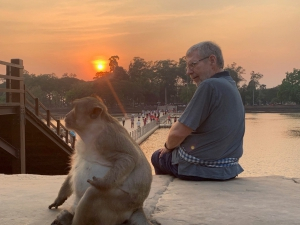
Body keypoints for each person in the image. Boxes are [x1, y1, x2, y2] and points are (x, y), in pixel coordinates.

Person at [151, 41, 245, 181]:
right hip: (228, 167)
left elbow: (177, 133)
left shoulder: (209, 85)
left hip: (202, 167)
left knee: (157, 156)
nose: (188, 72)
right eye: (188, 67)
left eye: (193, 65)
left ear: (212, 60)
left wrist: (167, 147)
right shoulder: (229, 83)